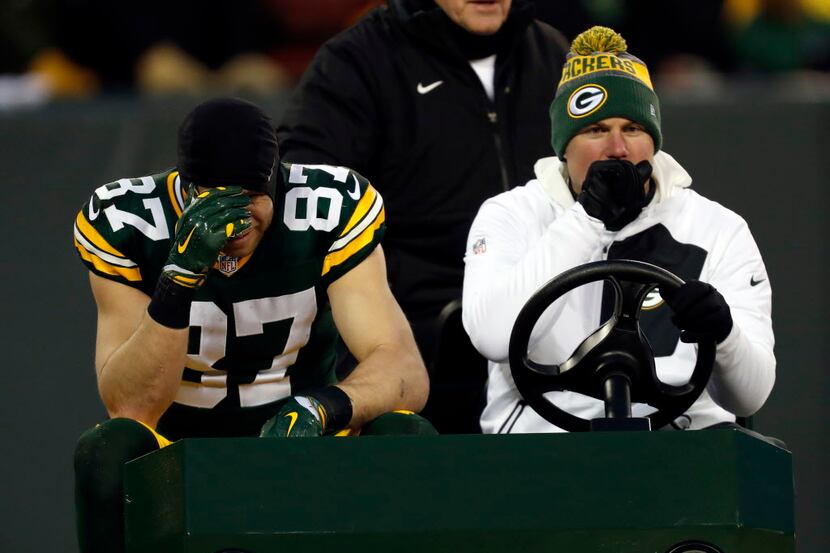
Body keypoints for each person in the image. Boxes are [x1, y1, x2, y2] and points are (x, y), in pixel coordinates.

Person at [72, 97, 431, 553]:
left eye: (250, 198)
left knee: (403, 433)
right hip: (178, 452)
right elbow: (129, 406)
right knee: (107, 450)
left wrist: (324, 407)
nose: (236, 220)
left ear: (276, 179)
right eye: (217, 200)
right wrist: (177, 280)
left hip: (304, 442)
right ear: (185, 188)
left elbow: (403, 369)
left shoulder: (329, 207)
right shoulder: (128, 220)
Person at [462, 26, 776, 433]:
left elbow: (750, 396)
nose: (617, 148)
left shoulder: (718, 228)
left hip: (680, 450)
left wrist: (724, 335)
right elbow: (493, 337)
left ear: (654, 140)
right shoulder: (511, 213)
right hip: (543, 452)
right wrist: (588, 220)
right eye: (595, 130)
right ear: (564, 144)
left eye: (632, 128)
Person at [277, 0, 569, 433]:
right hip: (418, 335)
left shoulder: (553, 55)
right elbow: (306, 204)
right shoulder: (358, 62)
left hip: (549, 324)